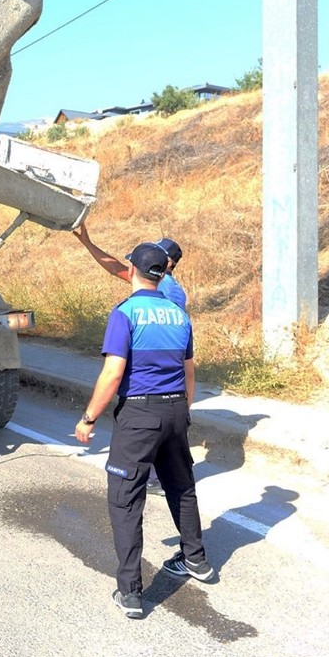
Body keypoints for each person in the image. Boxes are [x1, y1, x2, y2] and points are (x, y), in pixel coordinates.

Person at [74, 242, 212, 620]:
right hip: (174, 410)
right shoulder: (178, 314)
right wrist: (184, 410)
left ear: (132, 269)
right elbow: (189, 371)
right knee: (181, 486)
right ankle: (196, 560)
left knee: (125, 500)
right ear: (163, 272)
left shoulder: (125, 313)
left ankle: (131, 592)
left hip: (140, 414)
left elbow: (113, 373)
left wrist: (88, 419)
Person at [154, 237, 187, 310]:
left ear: (169, 263)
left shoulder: (163, 281)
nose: (152, 256)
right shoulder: (163, 280)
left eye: (157, 254)